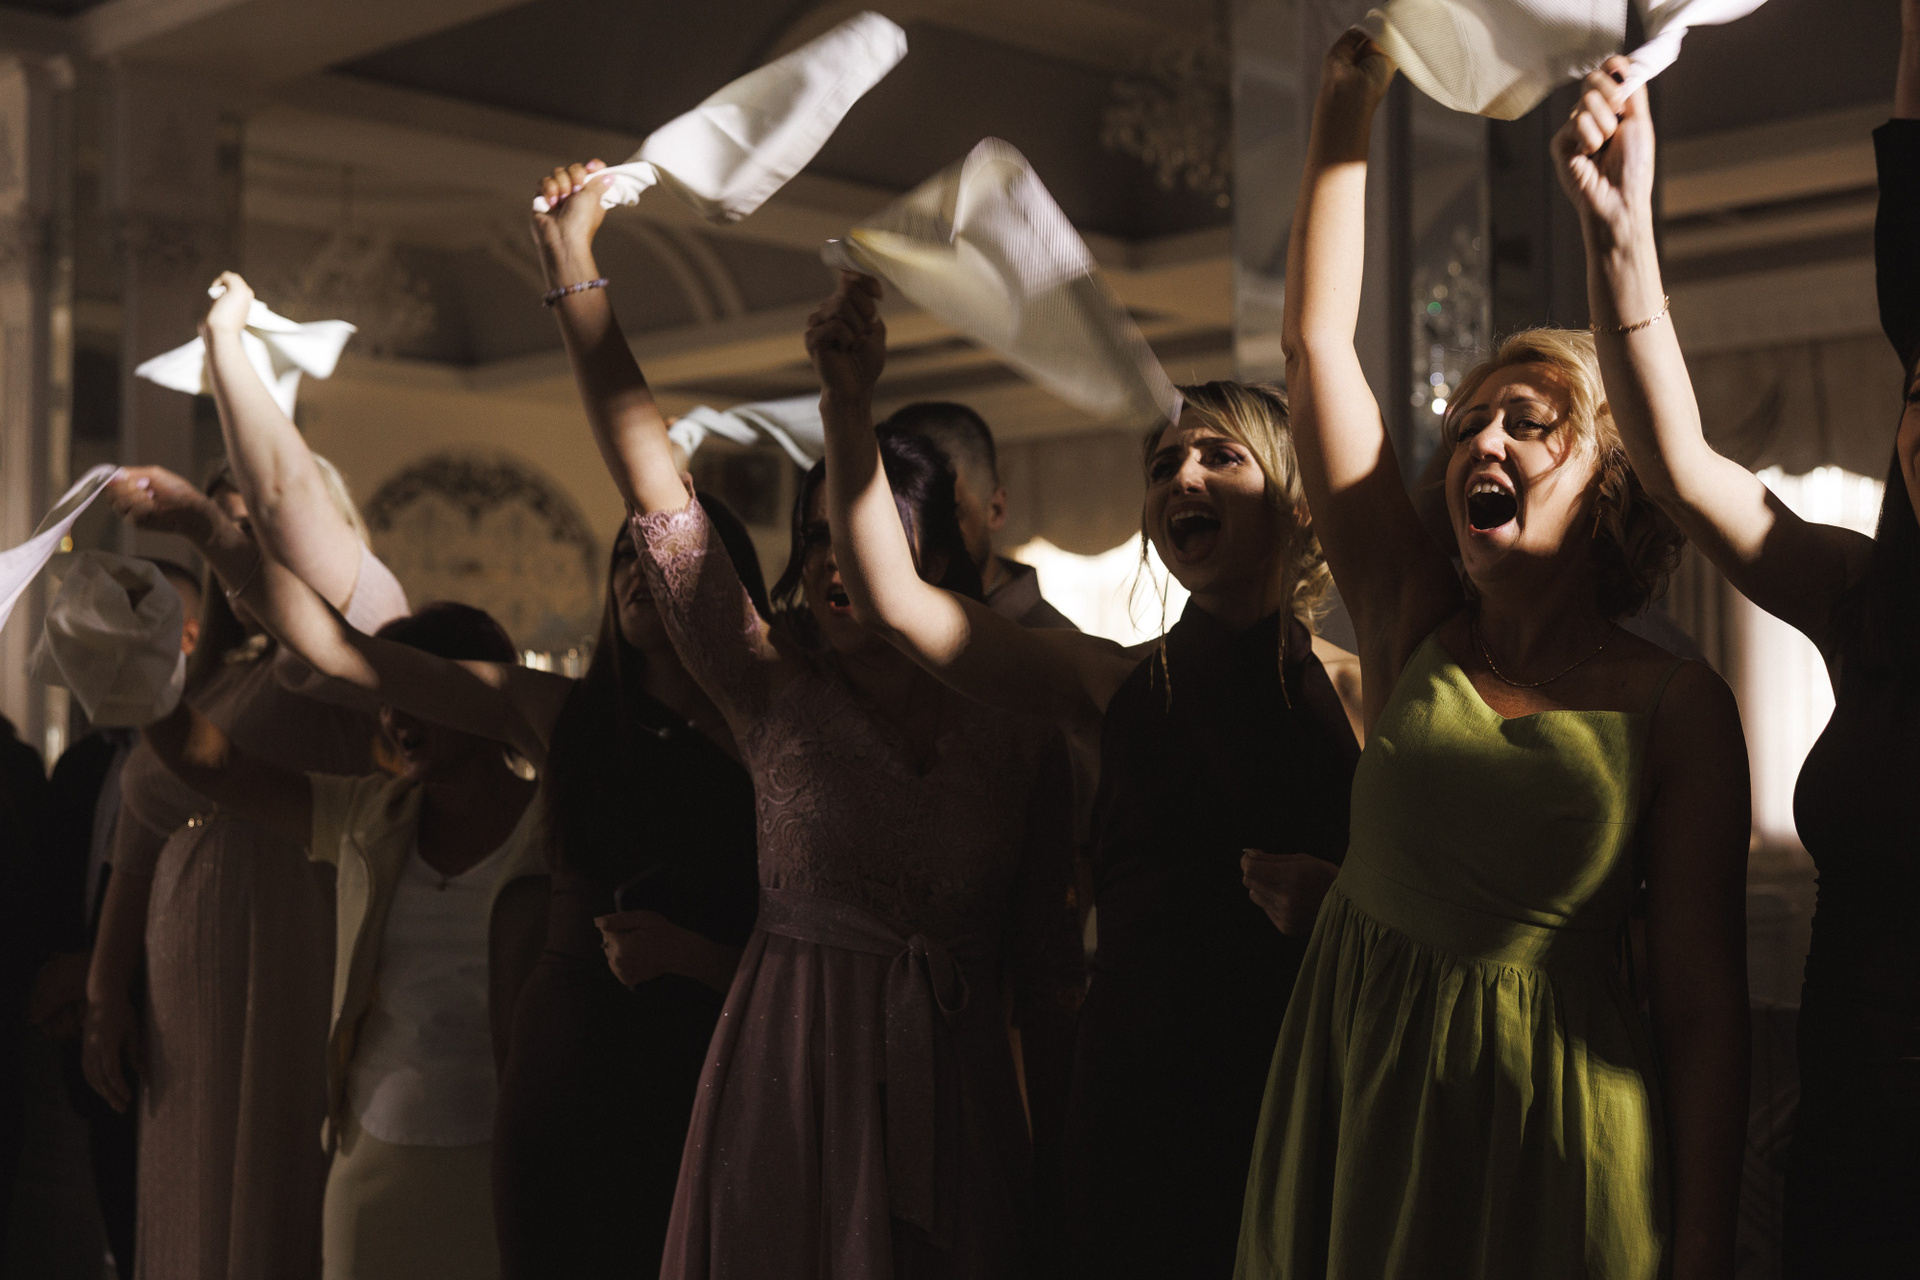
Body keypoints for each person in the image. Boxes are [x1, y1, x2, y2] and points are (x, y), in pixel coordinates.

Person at [1233, 34, 1750, 1280]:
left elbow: (1700, 1008)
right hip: (1364, 1106)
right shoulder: (1411, 617)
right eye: (1469, 422)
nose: (1484, 442)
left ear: (1613, 479)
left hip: (1561, 1143)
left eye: (1530, 422)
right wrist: (1347, 96)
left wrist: (1701, 1248)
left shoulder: (1678, 707)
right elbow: (1314, 350)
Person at [534, 160, 1082, 1280]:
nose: (836, 560)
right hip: (790, 1084)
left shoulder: (1016, 716)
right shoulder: (768, 683)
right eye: (817, 537)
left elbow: (1046, 969)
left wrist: (1070, 1166)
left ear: (934, 560)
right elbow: (655, 488)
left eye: (866, 533)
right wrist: (573, 266)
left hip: (961, 1097)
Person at [806, 273, 1365, 1278]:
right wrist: (848, 405)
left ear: (1294, 501)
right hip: (1139, 1096)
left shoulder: (1367, 698)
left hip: (1306, 1078)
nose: (1182, 475)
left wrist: (1344, 903)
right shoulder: (1111, 685)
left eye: (1219, 455)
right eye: (1163, 464)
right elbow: (892, 601)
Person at [1552, 14, 1920, 1272]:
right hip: (1856, 1149)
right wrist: (1619, 234)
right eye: (1917, 398)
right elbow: (1681, 469)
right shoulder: (1873, 603)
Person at [84, 270, 409, 1280]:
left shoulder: (352, 652)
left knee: (271, 1195)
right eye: (226, 525)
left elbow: (289, 512)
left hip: (289, 954)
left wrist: (210, 520)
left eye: (252, 527)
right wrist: (105, 984)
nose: (239, 547)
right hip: (184, 991)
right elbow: (142, 829)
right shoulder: (217, 678)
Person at [117, 539, 539, 1280]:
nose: (394, 718)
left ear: (477, 696)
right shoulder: (370, 816)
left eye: (415, 694)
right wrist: (132, 668)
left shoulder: (552, 831)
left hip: (507, 1169)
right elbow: (217, 765)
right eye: (384, 697)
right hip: (372, 1165)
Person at [24, 558, 203, 1278]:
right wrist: (59, 974)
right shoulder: (81, 766)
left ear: (186, 637)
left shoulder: (210, 760)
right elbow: (54, 886)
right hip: (94, 1047)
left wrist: (102, 972)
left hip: (182, 1042)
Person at [882, 401, 1076, 630]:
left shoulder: (1053, 642)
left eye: (945, 517)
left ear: (995, 509)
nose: (918, 540)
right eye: (898, 520)